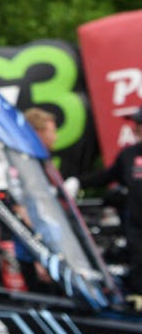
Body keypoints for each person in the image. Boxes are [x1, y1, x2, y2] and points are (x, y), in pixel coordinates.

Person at [81, 109, 142, 299]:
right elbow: (106, 176)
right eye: (136, 125)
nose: (137, 129)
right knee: (138, 267)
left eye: (139, 124)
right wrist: (77, 182)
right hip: (137, 228)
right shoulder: (129, 155)